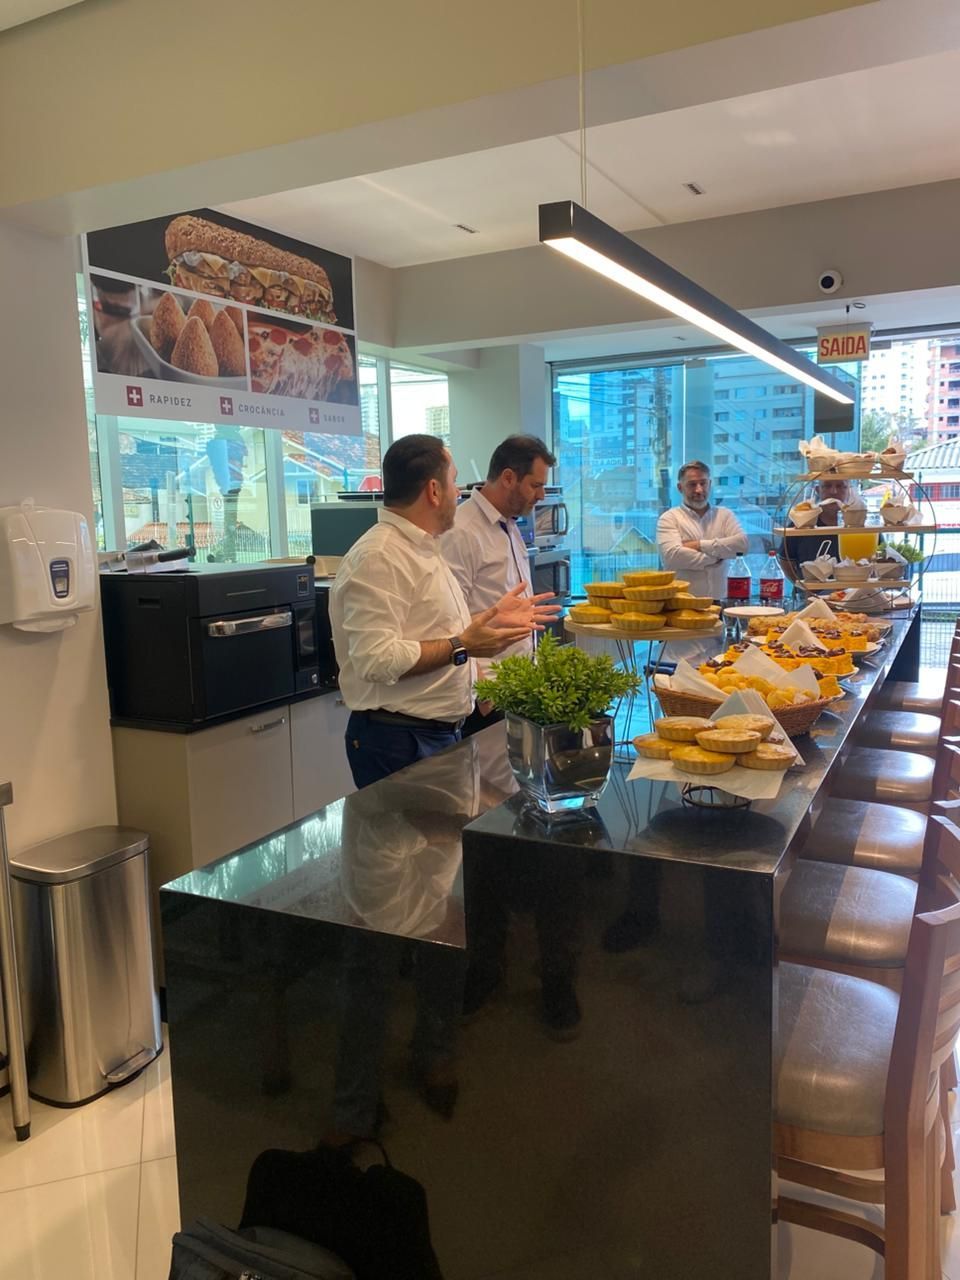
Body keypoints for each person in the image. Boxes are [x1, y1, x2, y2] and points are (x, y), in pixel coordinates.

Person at [329, 433, 561, 789]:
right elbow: (375, 660)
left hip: (436, 733)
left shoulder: (424, 547)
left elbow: (437, 628)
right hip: (398, 739)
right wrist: (462, 645)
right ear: (434, 491)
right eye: (454, 482)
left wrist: (489, 620)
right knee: (418, 844)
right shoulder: (380, 556)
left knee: (449, 843)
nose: (460, 492)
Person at [442, 434, 556, 738]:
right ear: (508, 477)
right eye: (535, 485)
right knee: (487, 785)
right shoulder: (463, 530)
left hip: (516, 688)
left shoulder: (509, 524)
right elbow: (449, 620)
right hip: (488, 698)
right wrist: (485, 694)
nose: (542, 495)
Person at [655, 460, 748, 600]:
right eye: (692, 484)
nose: (699, 490)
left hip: (721, 604)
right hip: (683, 606)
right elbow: (672, 557)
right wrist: (717, 557)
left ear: (709, 484)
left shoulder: (725, 515)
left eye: (703, 483)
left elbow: (742, 546)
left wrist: (698, 545)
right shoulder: (669, 518)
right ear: (680, 488)